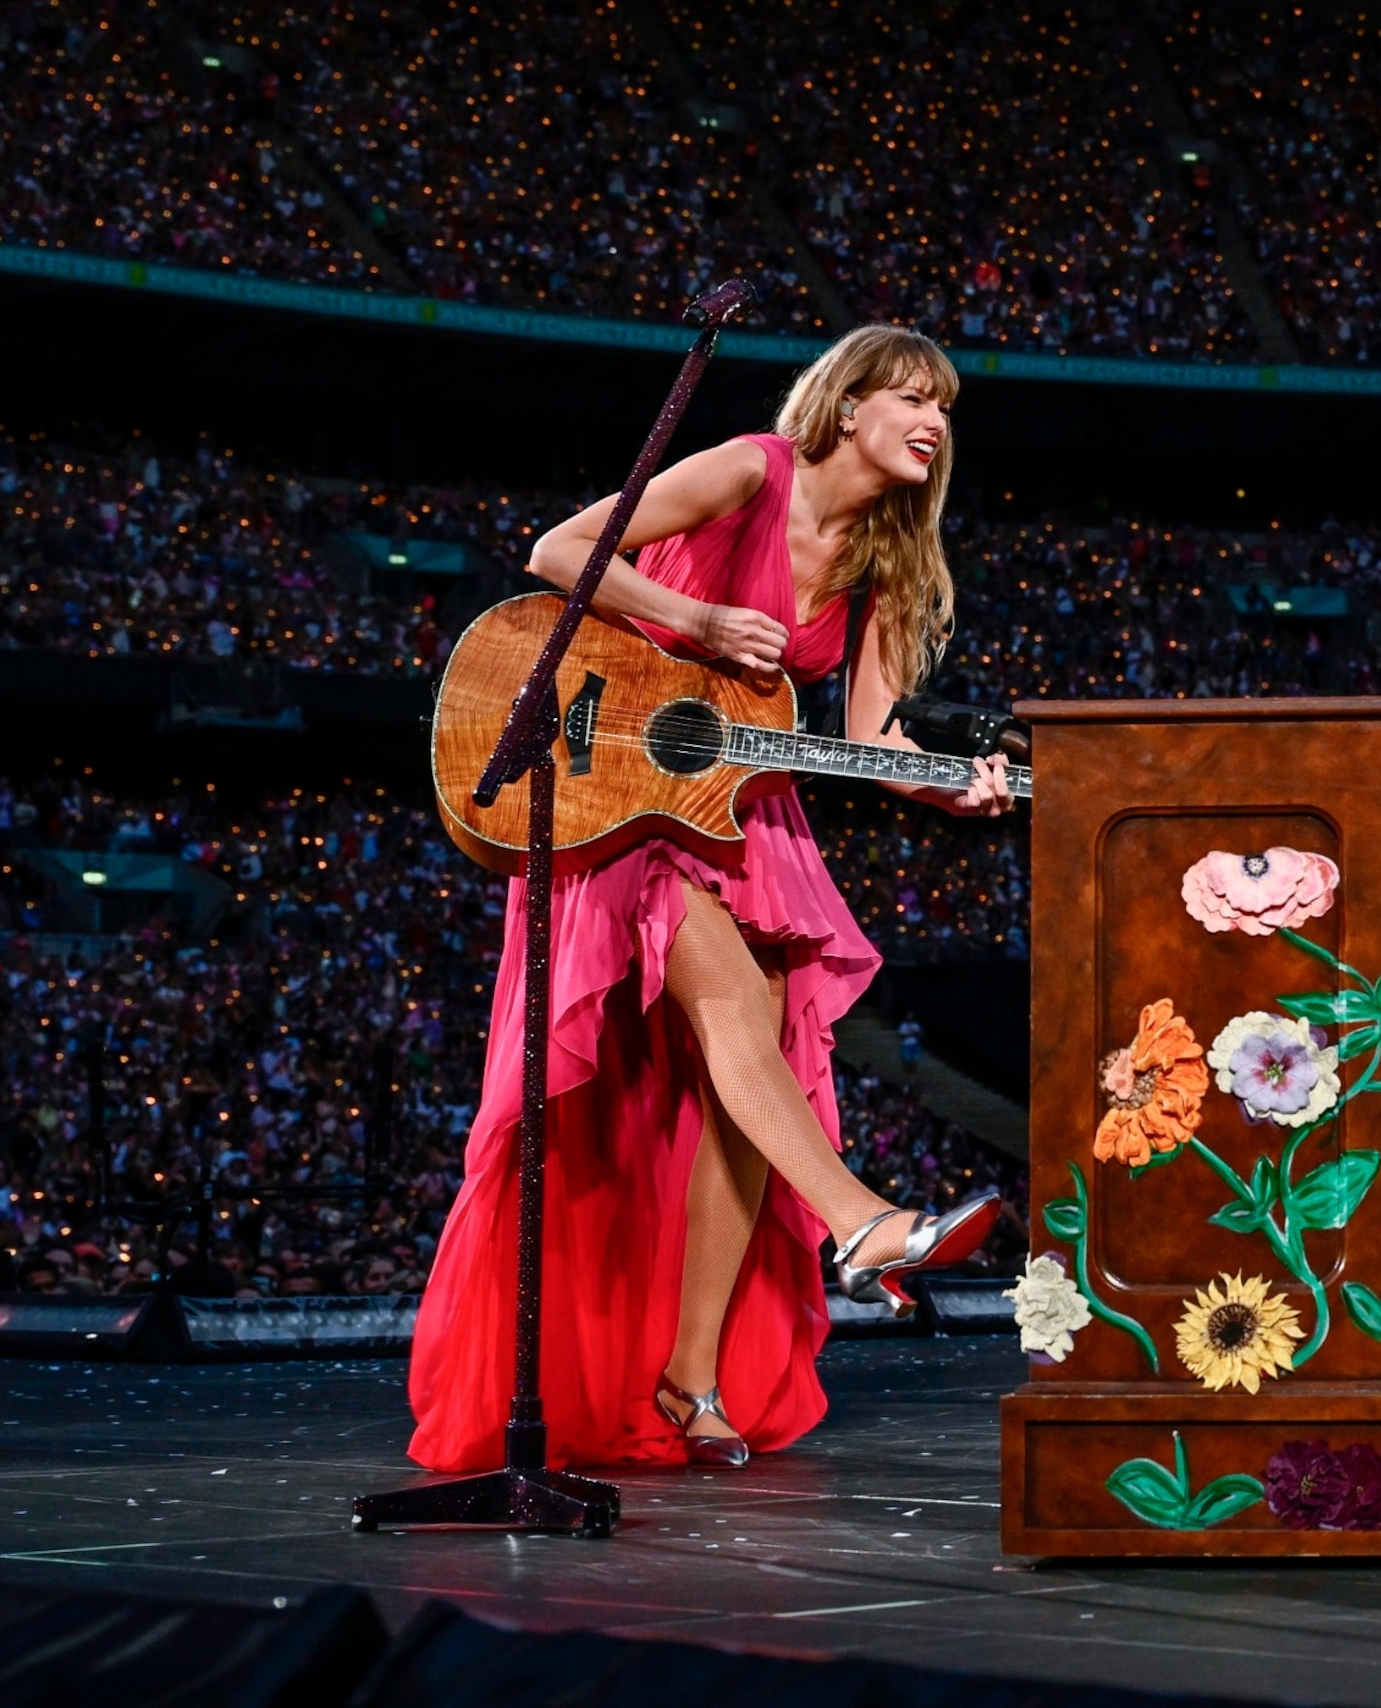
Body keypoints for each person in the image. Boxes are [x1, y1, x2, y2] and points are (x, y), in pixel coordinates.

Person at [407, 325, 1015, 1474]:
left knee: (754, 1072)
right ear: (847, 407)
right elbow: (561, 547)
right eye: (912, 397)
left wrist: (952, 790)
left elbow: (873, 740)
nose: (935, 421)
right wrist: (693, 621)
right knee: (738, 1007)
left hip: (752, 818)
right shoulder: (749, 464)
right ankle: (863, 1222)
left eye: (945, 406)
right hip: (625, 799)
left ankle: (692, 1376)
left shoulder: (887, 560)